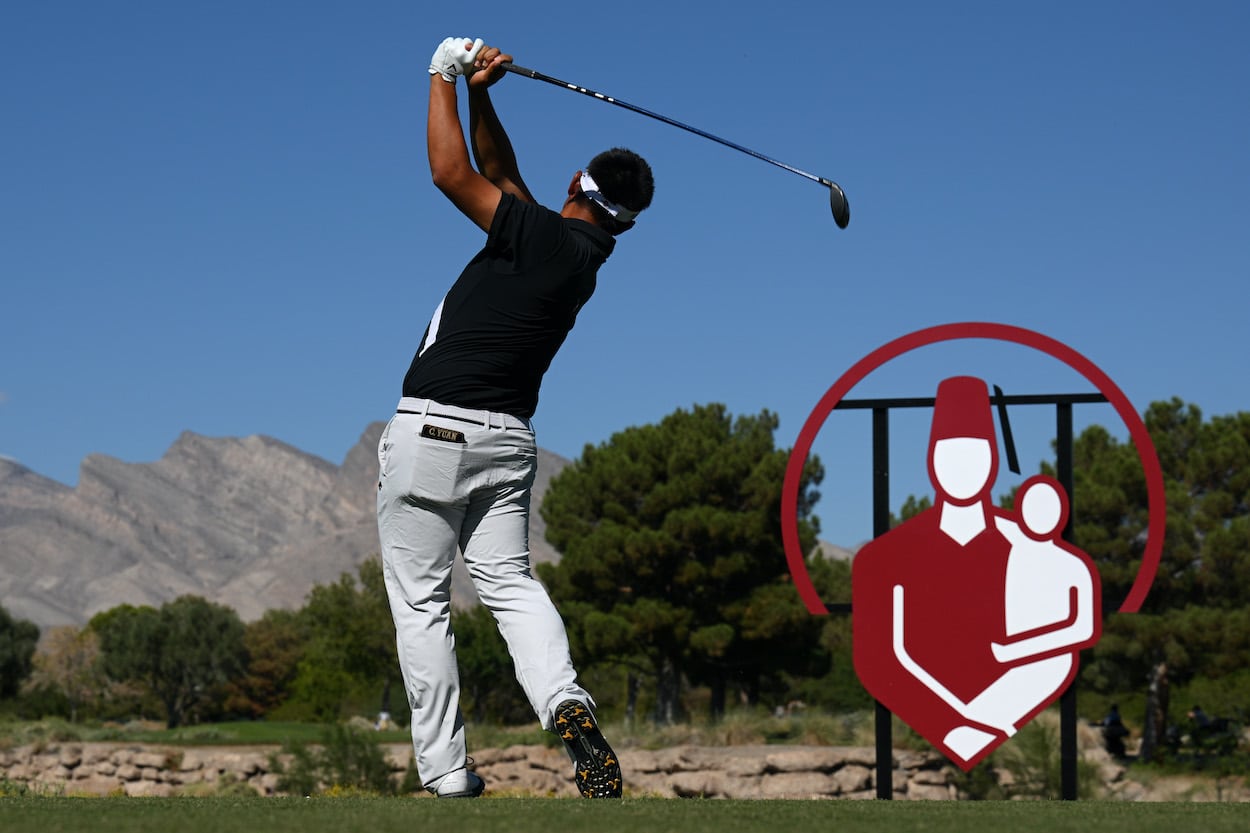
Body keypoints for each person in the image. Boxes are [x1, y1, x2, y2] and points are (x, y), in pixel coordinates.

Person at [375, 36, 653, 799]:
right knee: (511, 583)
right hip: (508, 442)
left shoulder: (540, 236)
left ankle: (447, 771)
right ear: (623, 220)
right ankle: (566, 703)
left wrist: (440, 73)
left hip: (434, 431)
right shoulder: (582, 252)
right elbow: (498, 173)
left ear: (576, 181)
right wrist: (483, 91)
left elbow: (452, 172)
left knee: (423, 606)